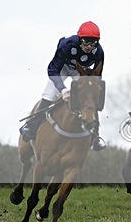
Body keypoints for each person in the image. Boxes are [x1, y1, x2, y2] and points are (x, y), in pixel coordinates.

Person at [19, 20, 106, 151]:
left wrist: (92, 91)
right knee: (49, 95)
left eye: (93, 43)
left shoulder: (99, 52)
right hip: (61, 68)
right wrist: (63, 90)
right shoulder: (66, 45)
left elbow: (97, 76)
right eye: (86, 42)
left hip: (80, 71)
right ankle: (31, 126)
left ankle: (95, 136)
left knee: (89, 97)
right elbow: (52, 70)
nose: (89, 46)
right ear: (80, 39)